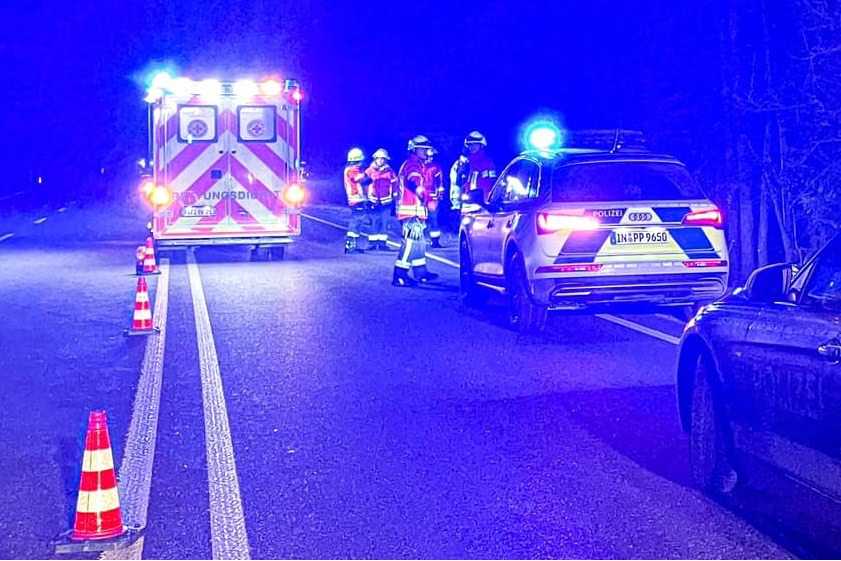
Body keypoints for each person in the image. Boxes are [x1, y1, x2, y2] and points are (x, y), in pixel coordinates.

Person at [393, 135, 439, 286]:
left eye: (427, 149)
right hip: (410, 212)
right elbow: (413, 180)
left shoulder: (419, 164)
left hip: (416, 211)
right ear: (414, 150)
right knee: (410, 243)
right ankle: (400, 275)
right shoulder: (412, 164)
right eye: (422, 149)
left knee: (419, 243)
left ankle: (420, 272)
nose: (426, 152)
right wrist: (422, 192)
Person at [365, 148, 398, 251]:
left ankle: (382, 244)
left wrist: (395, 197)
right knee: (374, 222)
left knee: (384, 222)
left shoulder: (390, 172)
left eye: (382, 159)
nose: (380, 160)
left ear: (385, 160)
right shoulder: (369, 170)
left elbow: (395, 184)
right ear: (375, 159)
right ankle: (372, 244)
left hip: (386, 202)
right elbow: (364, 182)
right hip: (373, 201)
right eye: (378, 158)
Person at [343, 147, 372, 253]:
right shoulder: (352, 170)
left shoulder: (351, 169)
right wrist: (369, 172)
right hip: (356, 199)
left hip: (357, 199)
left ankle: (352, 246)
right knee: (356, 222)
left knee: (357, 222)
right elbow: (358, 179)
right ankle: (350, 247)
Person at [463, 130, 497, 203]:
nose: (472, 147)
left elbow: (490, 182)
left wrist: (487, 201)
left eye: (475, 144)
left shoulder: (487, 162)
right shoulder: (468, 162)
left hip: (481, 200)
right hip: (469, 197)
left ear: (481, 145)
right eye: (470, 145)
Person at [423, 147, 445, 248]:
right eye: (429, 157)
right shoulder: (418, 166)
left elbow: (440, 183)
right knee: (419, 217)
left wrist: (440, 194)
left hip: (432, 197)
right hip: (420, 197)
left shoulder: (436, 168)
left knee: (433, 218)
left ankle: (435, 240)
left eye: (432, 157)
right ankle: (418, 239)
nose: (430, 159)